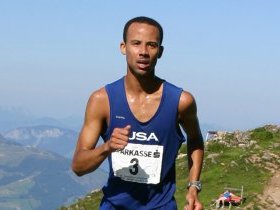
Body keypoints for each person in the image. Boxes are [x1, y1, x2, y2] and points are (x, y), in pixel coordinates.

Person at [72, 16, 204, 210]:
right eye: (136, 43)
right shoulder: (102, 101)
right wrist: (107, 147)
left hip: (161, 206)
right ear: (123, 47)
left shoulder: (181, 102)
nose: (143, 52)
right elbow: (78, 166)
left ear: (160, 52)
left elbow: (195, 139)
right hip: (114, 206)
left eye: (151, 45)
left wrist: (193, 186)